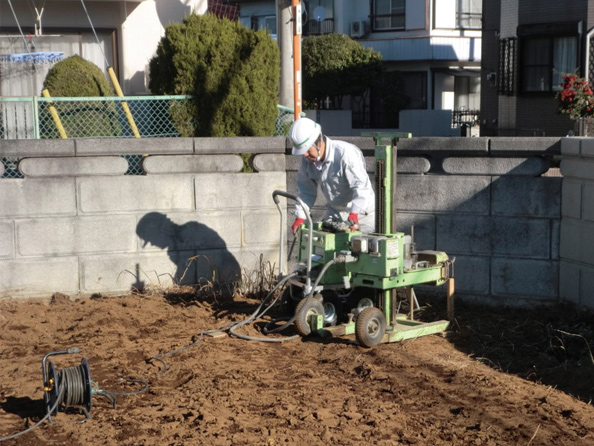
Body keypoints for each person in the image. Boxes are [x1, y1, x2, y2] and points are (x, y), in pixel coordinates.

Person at [288, 117, 375, 234]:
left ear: (318, 141)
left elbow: (361, 187)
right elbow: (306, 191)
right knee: (321, 246)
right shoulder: (307, 160)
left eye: (307, 149)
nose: (305, 154)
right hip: (336, 212)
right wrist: (300, 216)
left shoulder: (345, 153)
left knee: (357, 247)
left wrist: (354, 212)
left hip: (363, 214)